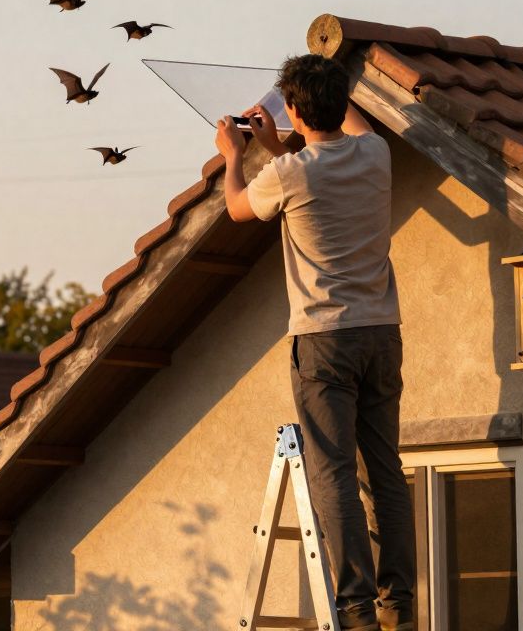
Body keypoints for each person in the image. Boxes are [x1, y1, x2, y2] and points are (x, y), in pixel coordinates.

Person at [213, 54, 414, 631]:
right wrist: (286, 136)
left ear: (294, 111)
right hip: (381, 332)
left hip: (325, 338)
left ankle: (355, 607)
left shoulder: (288, 173)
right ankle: (398, 602)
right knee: (385, 469)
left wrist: (235, 155)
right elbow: (338, 134)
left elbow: (237, 207)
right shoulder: (374, 154)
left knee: (333, 473)